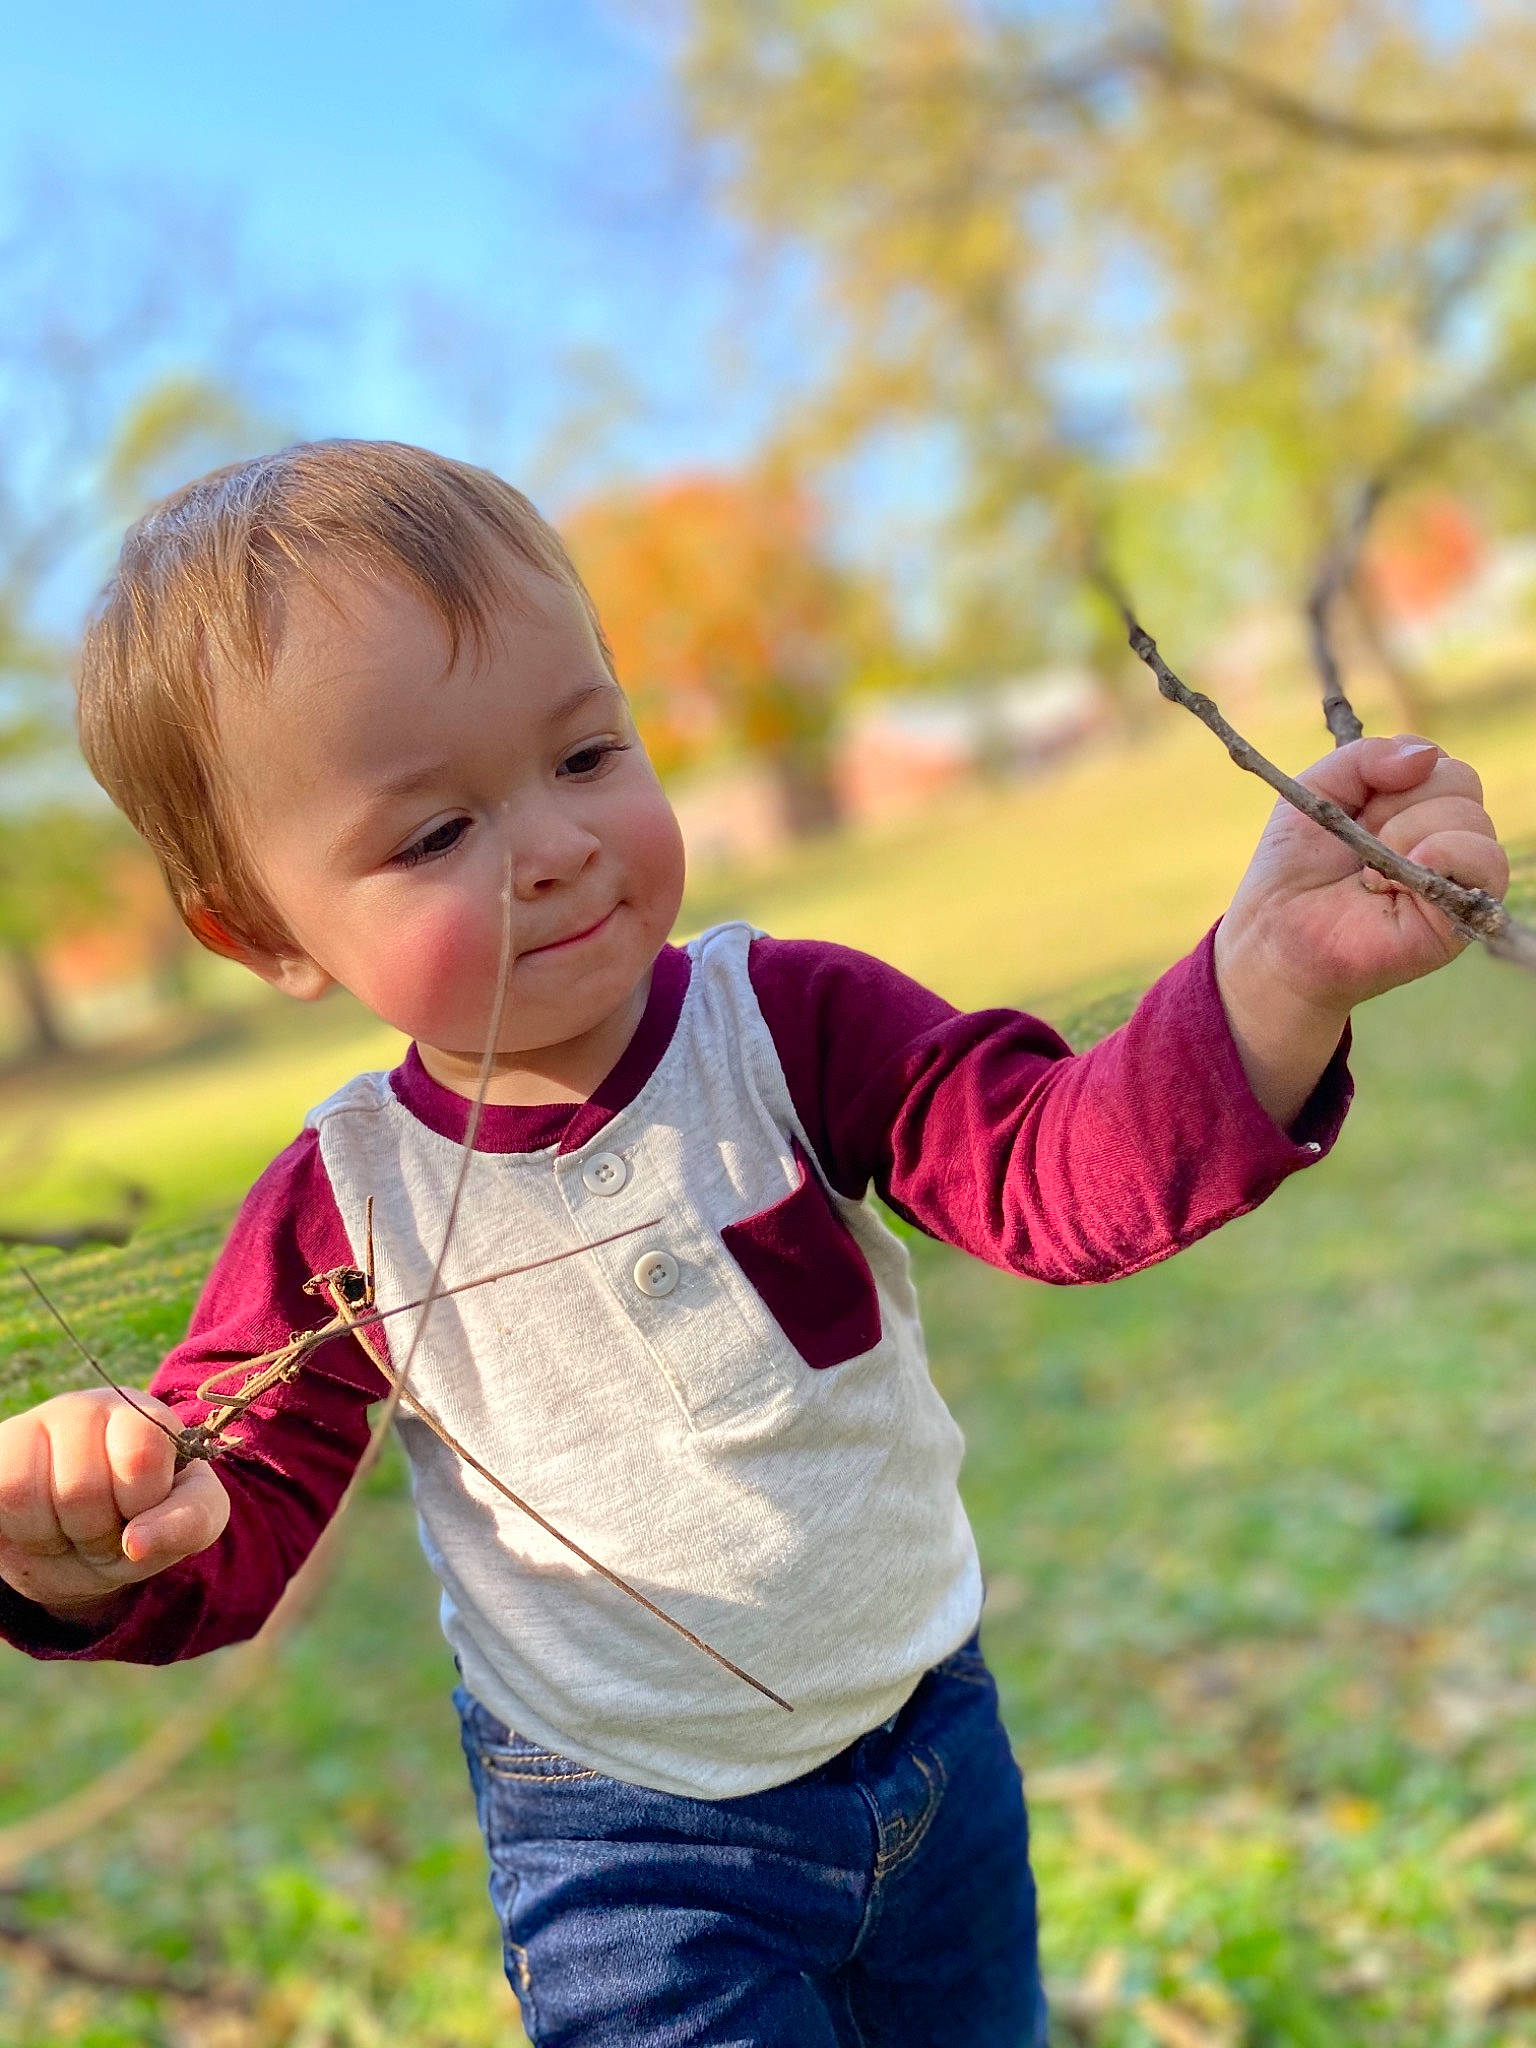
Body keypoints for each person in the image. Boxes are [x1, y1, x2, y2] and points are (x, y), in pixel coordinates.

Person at [0, 442, 1507, 2046]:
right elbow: (233, 1526)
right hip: (632, 1849)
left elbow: (1054, 1176)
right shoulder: (343, 1207)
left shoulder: (787, 1022)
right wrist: (95, 1544)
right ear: (260, 929)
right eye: (434, 836)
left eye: (586, 753)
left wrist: (1268, 982)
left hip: (932, 1740)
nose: (555, 843)